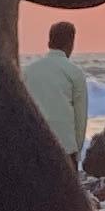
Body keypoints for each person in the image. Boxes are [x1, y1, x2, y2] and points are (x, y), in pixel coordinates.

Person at [20, 19, 89, 163]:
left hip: (34, 143)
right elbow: (80, 117)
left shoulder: (28, 71)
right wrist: (77, 148)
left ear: (49, 42)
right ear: (71, 43)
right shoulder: (74, 73)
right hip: (65, 144)